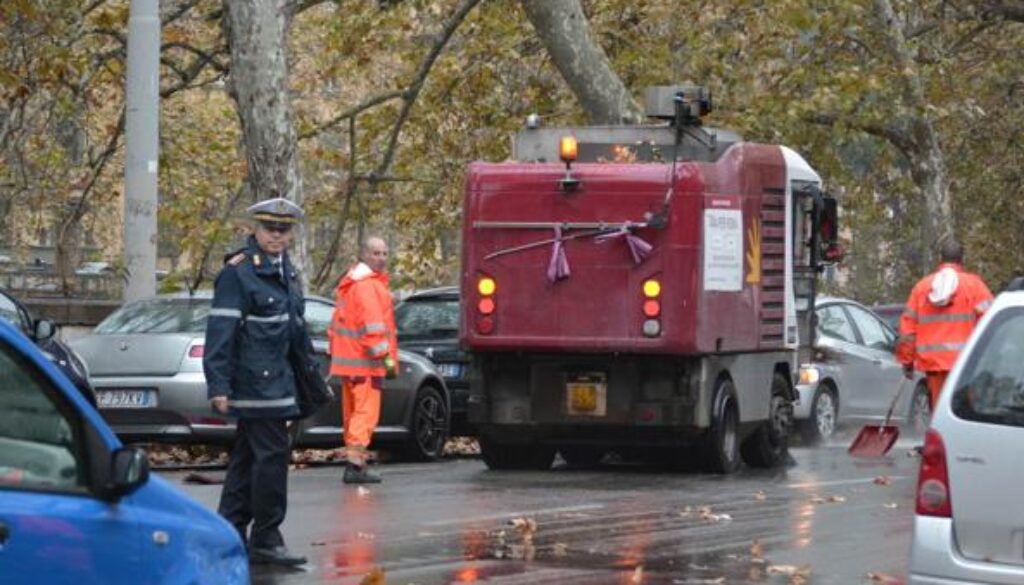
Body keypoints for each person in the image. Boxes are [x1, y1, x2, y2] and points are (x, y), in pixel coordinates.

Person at [203, 197, 310, 567]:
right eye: (269, 229)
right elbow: (221, 331)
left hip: (279, 382)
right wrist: (218, 385)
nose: (276, 236)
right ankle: (266, 536)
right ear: (256, 229)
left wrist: (310, 378)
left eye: (283, 230)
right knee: (271, 459)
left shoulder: (288, 272)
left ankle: (228, 532)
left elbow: (297, 334)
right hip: (255, 385)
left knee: (247, 458)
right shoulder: (239, 272)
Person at [328, 236, 398, 484]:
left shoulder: (351, 284)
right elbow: (373, 329)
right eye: (376, 253)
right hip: (366, 364)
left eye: (384, 253)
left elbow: (337, 327)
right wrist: (386, 360)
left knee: (353, 414)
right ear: (364, 255)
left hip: (350, 363)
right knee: (364, 414)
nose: (381, 258)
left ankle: (354, 462)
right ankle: (356, 465)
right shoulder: (368, 286)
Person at [896, 237, 993, 409]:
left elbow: (907, 331)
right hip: (965, 365)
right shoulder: (975, 287)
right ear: (962, 259)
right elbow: (990, 323)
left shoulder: (922, 288)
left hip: (934, 367)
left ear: (940, 258)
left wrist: (907, 361)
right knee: (966, 413)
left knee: (940, 412)